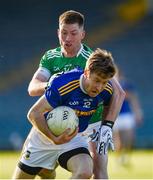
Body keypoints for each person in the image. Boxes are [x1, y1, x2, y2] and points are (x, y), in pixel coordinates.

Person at [27, 10, 125, 179]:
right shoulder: (51, 57)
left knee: (99, 167)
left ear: (82, 34)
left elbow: (119, 93)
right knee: (42, 169)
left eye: (73, 33)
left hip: (92, 121)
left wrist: (107, 126)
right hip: (60, 120)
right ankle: (49, 172)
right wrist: (53, 83)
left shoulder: (90, 60)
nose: (67, 38)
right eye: (64, 33)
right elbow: (32, 88)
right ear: (58, 33)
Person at [12, 48, 117, 179]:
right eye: (96, 81)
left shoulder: (106, 90)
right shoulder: (63, 84)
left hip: (75, 137)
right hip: (43, 139)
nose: (99, 87)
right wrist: (53, 138)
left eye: (104, 82)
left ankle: (47, 171)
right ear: (86, 72)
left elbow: (111, 102)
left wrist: (105, 126)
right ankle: (47, 172)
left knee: (85, 171)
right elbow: (33, 114)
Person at [113, 69, 143, 166]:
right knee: (118, 141)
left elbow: (133, 99)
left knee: (130, 138)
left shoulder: (127, 84)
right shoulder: (110, 85)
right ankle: (119, 160)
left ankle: (126, 158)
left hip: (127, 115)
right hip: (116, 115)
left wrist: (138, 113)